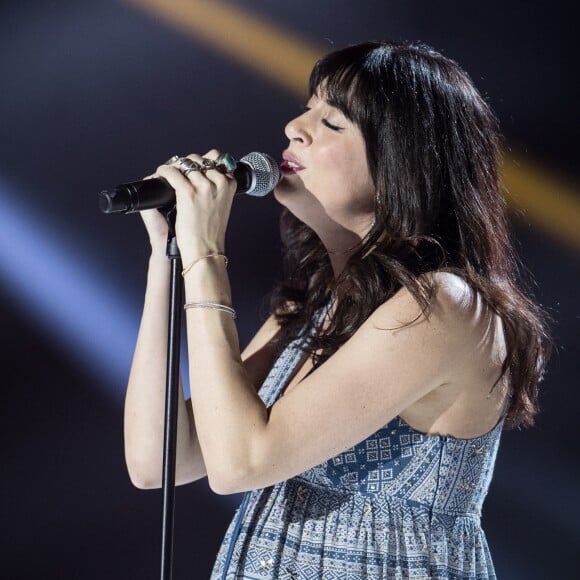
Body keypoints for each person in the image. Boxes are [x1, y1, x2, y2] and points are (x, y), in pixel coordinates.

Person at [124, 40, 553, 579]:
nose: (294, 126)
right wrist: (169, 256)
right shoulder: (315, 306)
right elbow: (159, 459)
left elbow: (241, 462)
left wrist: (208, 255)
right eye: (308, 107)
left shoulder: (446, 305)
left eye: (333, 121)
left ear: (404, 158)